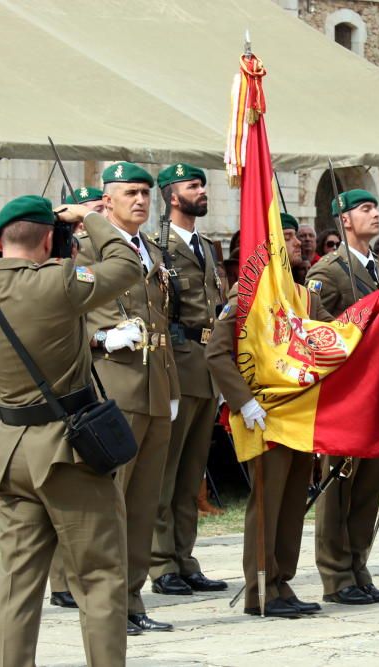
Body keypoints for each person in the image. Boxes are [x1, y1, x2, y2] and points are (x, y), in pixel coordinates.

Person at [0, 196, 140, 665]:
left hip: (12, 450)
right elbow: (126, 263)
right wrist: (91, 217)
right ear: (46, 239)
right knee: (99, 578)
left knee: (17, 585)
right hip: (66, 452)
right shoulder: (59, 282)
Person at [206, 215, 330, 618]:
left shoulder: (303, 296)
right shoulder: (246, 295)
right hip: (263, 413)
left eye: (295, 237)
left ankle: (281, 580)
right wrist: (242, 401)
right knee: (268, 500)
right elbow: (216, 353)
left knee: (294, 500)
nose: (296, 244)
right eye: (287, 238)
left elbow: (332, 338)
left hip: (299, 413)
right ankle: (260, 587)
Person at [76, 162, 181, 634]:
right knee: (111, 501)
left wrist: (173, 387)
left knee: (143, 502)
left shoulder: (151, 249)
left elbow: (161, 321)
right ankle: (108, 605)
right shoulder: (84, 249)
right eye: (130, 193)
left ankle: (134, 599)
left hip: (155, 383)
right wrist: (99, 340)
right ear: (106, 201)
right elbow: (63, 317)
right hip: (114, 382)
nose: (140, 200)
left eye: (145, 192)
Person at [306, 189, 379, 606]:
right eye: (365, 209)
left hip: (378, 388)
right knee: (339, 485)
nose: (375, 214)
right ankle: (335, 575)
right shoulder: (330, 270)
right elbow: (314, 330)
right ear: (344, 220)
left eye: (375, 207)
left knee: (368, 486)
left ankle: (359, 565)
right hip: (347, 393)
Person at [147, 163, 228, 598]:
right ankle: (162, 563)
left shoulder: (206, 247)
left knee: (192, 471)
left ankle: (185, 557)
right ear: (172, 195)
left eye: (201, 184)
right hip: (177, 364)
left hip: (207, 364)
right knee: (167, 469)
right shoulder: (156, 246)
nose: (202, 191)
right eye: (192, 185)